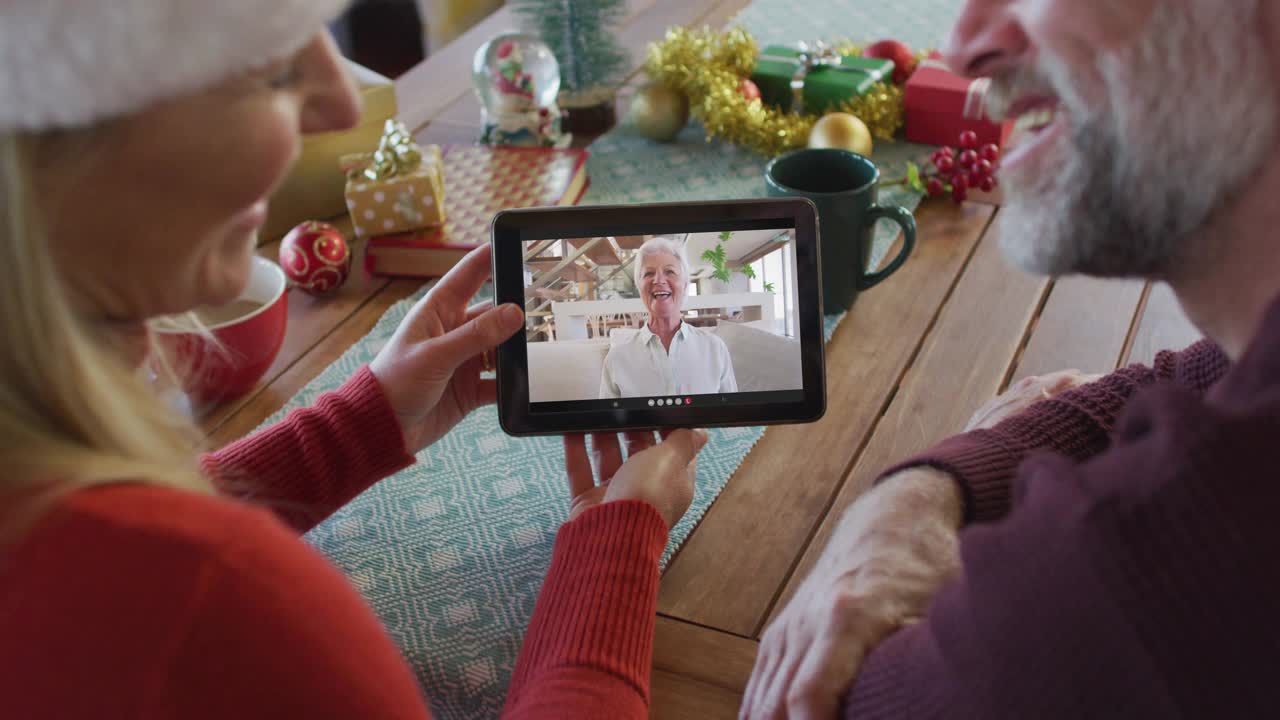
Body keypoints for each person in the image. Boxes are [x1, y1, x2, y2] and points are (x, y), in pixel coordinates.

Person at [0, 2, 706, 718]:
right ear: (50, 142)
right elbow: (163, 592)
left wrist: (351, 429)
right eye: (271, 65)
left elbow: (124, 589)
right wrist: (617, 546)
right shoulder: (215, 594)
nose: (342, 103)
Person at [741, 0, 1280, 717]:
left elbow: (838, 696)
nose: (962, 47)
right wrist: (922, 495)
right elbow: (1201, 375)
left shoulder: (1115, 590)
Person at [599, 236, 738, 398]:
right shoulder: (617, 357)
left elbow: (734, 419)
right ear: (639, 286)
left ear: (685, 284)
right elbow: (607, 422)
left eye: (670, 272)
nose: (658, 280)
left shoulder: (715, 348)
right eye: (649, 273)